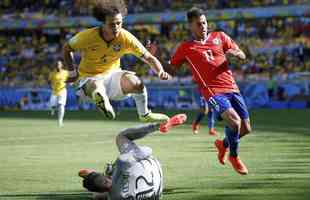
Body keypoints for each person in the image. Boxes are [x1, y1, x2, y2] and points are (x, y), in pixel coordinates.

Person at [167, 7, 252, 175]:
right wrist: (153, 57)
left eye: (204, 23)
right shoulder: (186, 47)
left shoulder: (220, 37)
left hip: (232, 87)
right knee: (235, 122)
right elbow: (170, 69)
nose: (203, 26)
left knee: (246, 129)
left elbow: (241, 54)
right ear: (190, 27)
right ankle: (233, 156)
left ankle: (223, 144)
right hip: (212, 91)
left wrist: (238, 54)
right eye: (199, 24)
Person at [62, 0, 169, 122]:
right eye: (112, 24)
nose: (117, 27)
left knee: (136, 82)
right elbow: (66, 48)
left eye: (119, 23)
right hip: (87, 79)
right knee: (95, 85)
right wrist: (72, 73)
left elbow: (149, 57)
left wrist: (160, 71)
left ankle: (144, 114)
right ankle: (103, 102)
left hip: (112, 76)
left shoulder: (125, 38)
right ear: (103, 23)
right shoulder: (87, 36)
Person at [78, 114, 187, 200]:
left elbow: (99, 192)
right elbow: (147, 150)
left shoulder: (114, 197)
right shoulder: (122, 163)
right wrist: (114, 168)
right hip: (152, 167)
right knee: (121, 137)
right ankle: (158, 126)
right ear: (106, 178)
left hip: (157, 192)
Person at [48, 60, 68, 127]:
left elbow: (70, 80)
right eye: (56, 64)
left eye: (59, 64)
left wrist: (71, 82)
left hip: (62, 90)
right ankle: (53, 108)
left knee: (61, 105)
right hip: (54, 91)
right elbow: (49, 81)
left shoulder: (65, 72)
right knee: (52, 105)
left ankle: (60, 121)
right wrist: (51, 85)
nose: (57, 66)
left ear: (61, 65)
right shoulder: (52, 73)